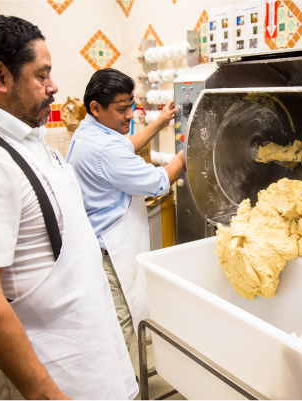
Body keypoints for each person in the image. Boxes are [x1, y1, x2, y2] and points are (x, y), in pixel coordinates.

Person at [0, 15, 137, 400]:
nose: (54, 86)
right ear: (0, 77)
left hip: (80, 355)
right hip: (36, 376)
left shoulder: (26, 140)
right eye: (42, 75)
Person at [66, 69, 185, 350]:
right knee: (119, 331)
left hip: (97, 247)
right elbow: (157, 182)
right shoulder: (104, 149)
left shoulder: (90, 131)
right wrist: (184, 155)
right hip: (111, 256)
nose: (130, 115)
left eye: (131, 106)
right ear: (95, 107)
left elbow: (124, 145)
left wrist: (159, 123)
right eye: (122, 109)